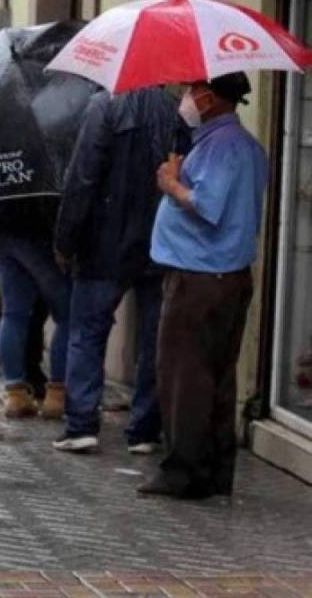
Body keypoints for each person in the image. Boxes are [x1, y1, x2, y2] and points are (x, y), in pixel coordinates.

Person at [139, 72, 267, 500]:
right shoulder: (241, 144)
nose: (185, 97)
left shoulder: (222, 145)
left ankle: (183, 471)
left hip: (200, 277)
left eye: (192, 90)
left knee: (184, 376)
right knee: (216, 376)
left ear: (209, 98)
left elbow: (207, 205)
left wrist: (171, 183)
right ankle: (213, 469)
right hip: (225, 275)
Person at [52, 88, 186, 454]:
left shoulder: (103, 106)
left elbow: (82, 176)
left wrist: (65, 240)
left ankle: (81, 423)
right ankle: (145, 430)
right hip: (161, 242)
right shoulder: (177, 111)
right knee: (154, 336)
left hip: (104, 243)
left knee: (87, 332)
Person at [0, 197, 71, 420]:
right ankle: (57, 394)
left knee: (13, 314)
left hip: (1, 229)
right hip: (41, 230)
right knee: (67, 316)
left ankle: (15, 394)